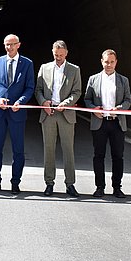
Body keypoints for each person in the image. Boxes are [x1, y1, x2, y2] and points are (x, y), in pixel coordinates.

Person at [0, 34, 35, 194]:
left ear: (19, 45)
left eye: (12, 44)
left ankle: (15, 182)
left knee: (18, 150)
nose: (9, 47)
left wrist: (20, 101)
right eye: (7, 44)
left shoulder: (27, 64)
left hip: (17, 113)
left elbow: (30, 87)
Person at [35, 40, 82, 197]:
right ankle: (49, 183)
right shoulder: (44, 68)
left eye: (61, 55)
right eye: (56, 55)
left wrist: (65, 104)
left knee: (68, 150)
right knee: (49, 150)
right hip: (49, 114)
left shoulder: (74, 70)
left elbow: (77, 92)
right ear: (52, 52)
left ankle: (70, 184)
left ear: (66, 53)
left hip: (66, 114)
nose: (58, 58)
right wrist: (43, 102)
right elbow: (38, 90)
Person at [84, 49, 131, 198]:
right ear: (101, 61)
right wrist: (93, 110)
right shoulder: (93, 79)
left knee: (118, 156)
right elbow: (87, 99)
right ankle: (100, 187)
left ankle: (117, 187)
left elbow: (128, 100)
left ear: (116, 62)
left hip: (117, 123)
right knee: (98, 155)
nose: (109, 65)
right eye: (106, 62)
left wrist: (120, 109)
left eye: (112, 62)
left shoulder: (123, 80)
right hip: (99, 122)